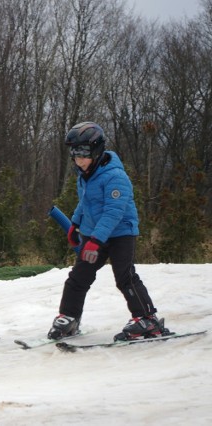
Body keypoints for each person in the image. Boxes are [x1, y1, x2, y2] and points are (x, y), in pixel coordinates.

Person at [48, 121, 168, 341]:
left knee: (125, 276)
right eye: (75, 155)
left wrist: (95, 240)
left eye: (83, 154)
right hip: (94, 234)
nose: (79, 160)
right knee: (78, 277)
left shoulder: (115, 176)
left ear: (96, 151)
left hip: (121, 233)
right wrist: (75, 224)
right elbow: (85, 203)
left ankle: (147, 319)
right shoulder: (84, 175)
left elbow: (113, 212)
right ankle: (69, 317)